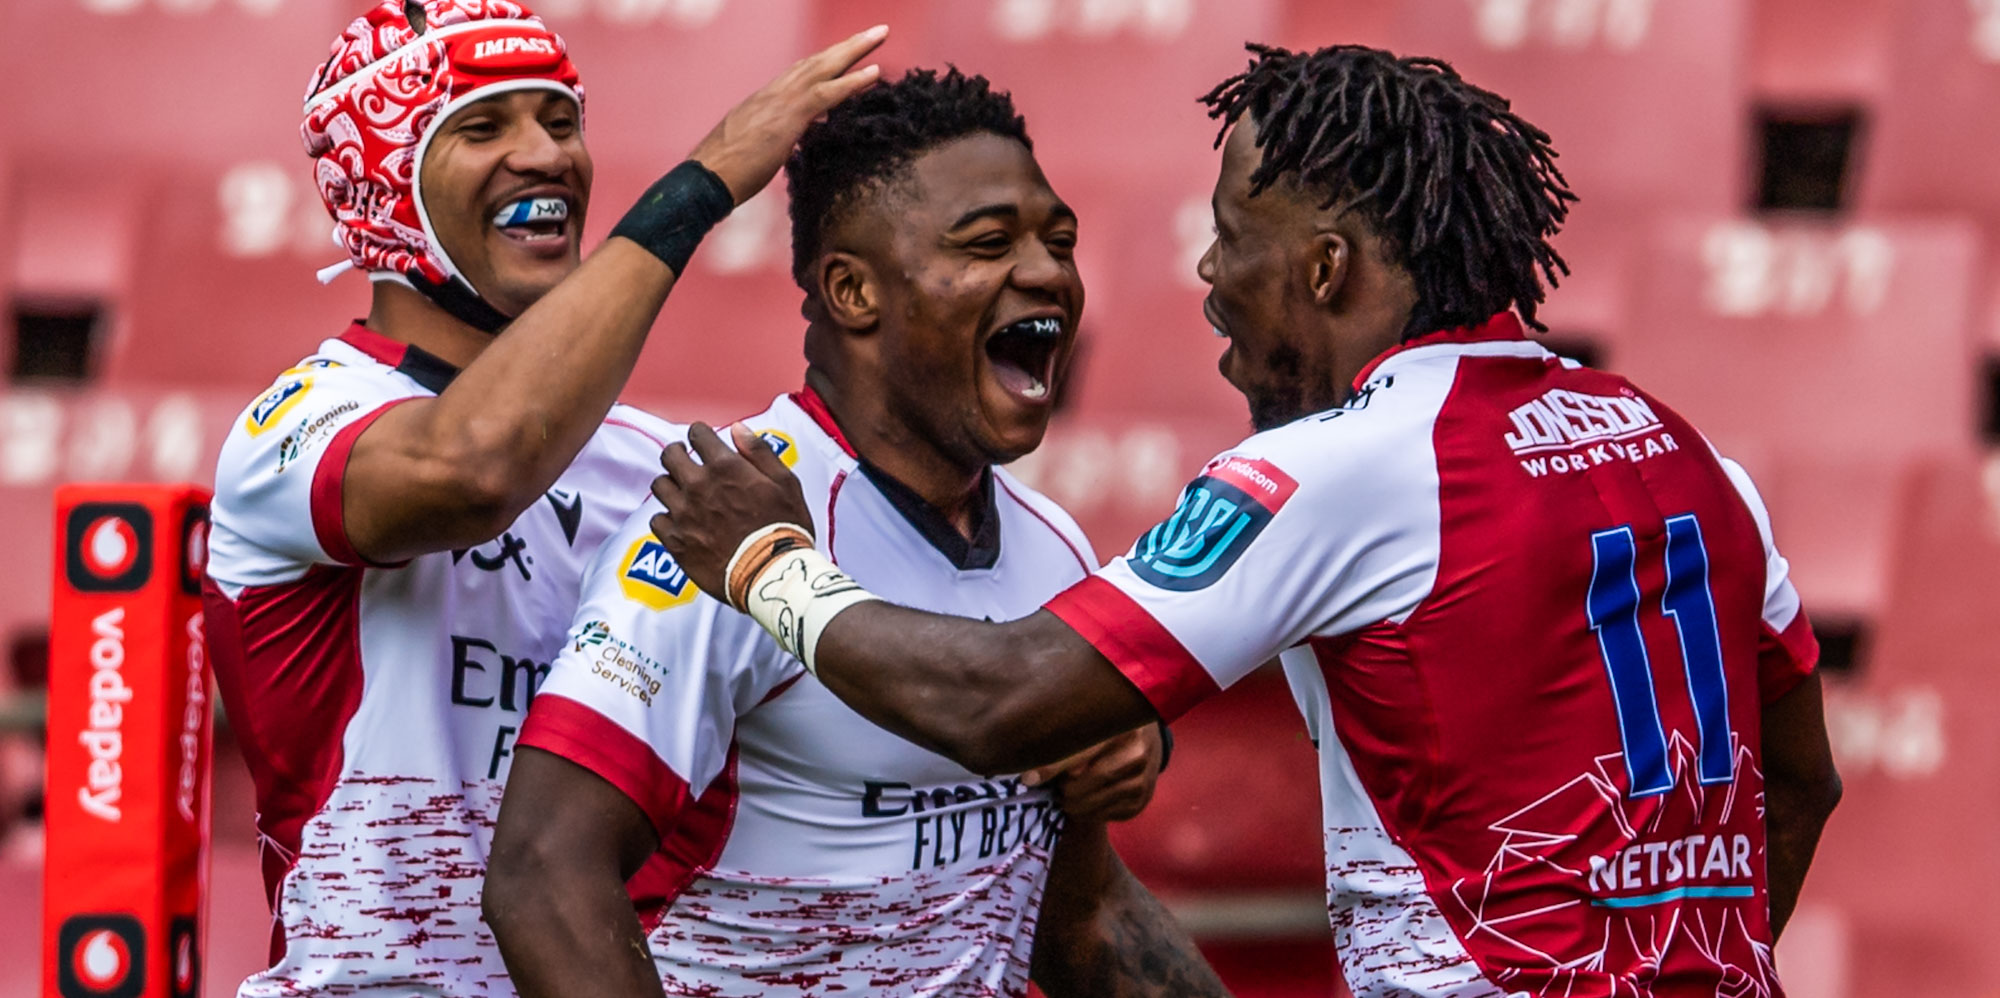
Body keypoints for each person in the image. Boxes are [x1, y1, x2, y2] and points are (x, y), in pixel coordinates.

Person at [643, 44, 1844, 997]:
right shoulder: (1691, 455)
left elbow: (992, 699)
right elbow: (1800, 782)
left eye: (1232, 237)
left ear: (1323, 269)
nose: (1208, 278)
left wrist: (766, 561)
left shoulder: (1338, 469)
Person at [482, 68, 1227, 998]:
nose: (1045, 272)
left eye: (1059, 241)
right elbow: (543, 877)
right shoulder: (719, 528)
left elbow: (1078, 914)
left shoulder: (1057, 547)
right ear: (851, 290)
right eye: (990, 243)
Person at [200, 1, 886, 992]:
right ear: (386, 184)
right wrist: (695, 192)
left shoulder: (662, 463)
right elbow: (474, 468)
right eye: (482, 128)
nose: (545, 154)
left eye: (560, 121)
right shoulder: (296, 422)